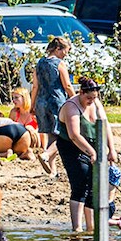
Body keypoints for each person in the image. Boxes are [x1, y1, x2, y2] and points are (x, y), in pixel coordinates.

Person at [57, 77, 114, 234]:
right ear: (80, 93)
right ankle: (77, 228)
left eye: (94, 98)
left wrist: (112, 149)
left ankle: (91, 227)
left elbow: (105, 124)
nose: (91, 101)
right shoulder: (71, 106)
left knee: (93, 184)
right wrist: (92, 152)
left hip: (91, 145)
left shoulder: (95, 103)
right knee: (80, 184)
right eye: (88, 98)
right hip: (71, 147)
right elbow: (74, 135)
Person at [33, 36, 74, 171]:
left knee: (52, 135)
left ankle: (52, 171)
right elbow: (67, 85)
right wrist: (75, 100)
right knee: (63, 136)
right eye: (65, 51)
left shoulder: (39, 63)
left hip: (41, 102)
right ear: (57, 49)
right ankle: (45, 155)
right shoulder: (59, 64)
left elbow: (35, 87)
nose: (65, 55)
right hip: (57, 102)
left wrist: (32, 104)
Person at [0, 105, 47, 170]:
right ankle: (26, 153)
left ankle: (5, 153)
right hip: (22, 130)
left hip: (3, 130)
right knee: (17, 152)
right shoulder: (7, 119)